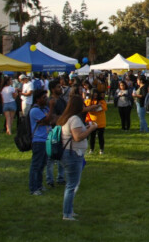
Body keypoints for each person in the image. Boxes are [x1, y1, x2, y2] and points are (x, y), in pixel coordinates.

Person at [58, 87, 97, 221]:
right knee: (72, 185)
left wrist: (85, 128)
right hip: (73, 153)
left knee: (72, 184)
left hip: (69, 153)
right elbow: (77, 137)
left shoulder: (67, 118)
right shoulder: (74, 119)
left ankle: (69, 210)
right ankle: (67, 213)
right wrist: (91, 128)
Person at [28, 89, 54, 195]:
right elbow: (48, 120)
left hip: (46, 139)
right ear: (38, 99)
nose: (46, 99)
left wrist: (48, 118)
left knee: (42, 164)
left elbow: (51, 119)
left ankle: (39, 185)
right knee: (36, 165)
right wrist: (51, 109)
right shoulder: (35, 110)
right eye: (44, 98)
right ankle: (34, 188)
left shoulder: (44, 109)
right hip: (38, 140)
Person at [84, 89, 107, 155]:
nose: (95, 95)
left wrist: (95, 107)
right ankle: (91, 149)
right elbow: (86, 108)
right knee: (92, 137)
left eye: (96, 94)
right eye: (94, 94)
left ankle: (101, 149)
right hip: (92, 122)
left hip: (101, 122)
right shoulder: (88, 101)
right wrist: (96, 106)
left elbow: (104, 108)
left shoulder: (102, 101)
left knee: (101, 137)